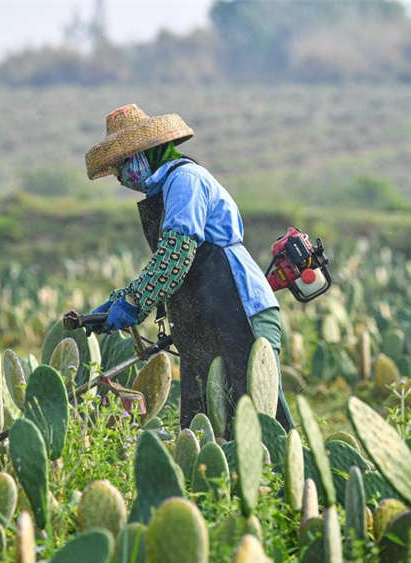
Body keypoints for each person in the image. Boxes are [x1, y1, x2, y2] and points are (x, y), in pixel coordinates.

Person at [83, 103, 294, 432]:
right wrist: (120, 298)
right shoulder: (167, 189)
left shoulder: (185, 180)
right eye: (115, 170)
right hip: (207, 313)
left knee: (259, 419)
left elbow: (176, 255)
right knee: (208, 422)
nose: (122, 177)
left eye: (124, 164)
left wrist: (135, 301)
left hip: (240, 308)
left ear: (148, 152)